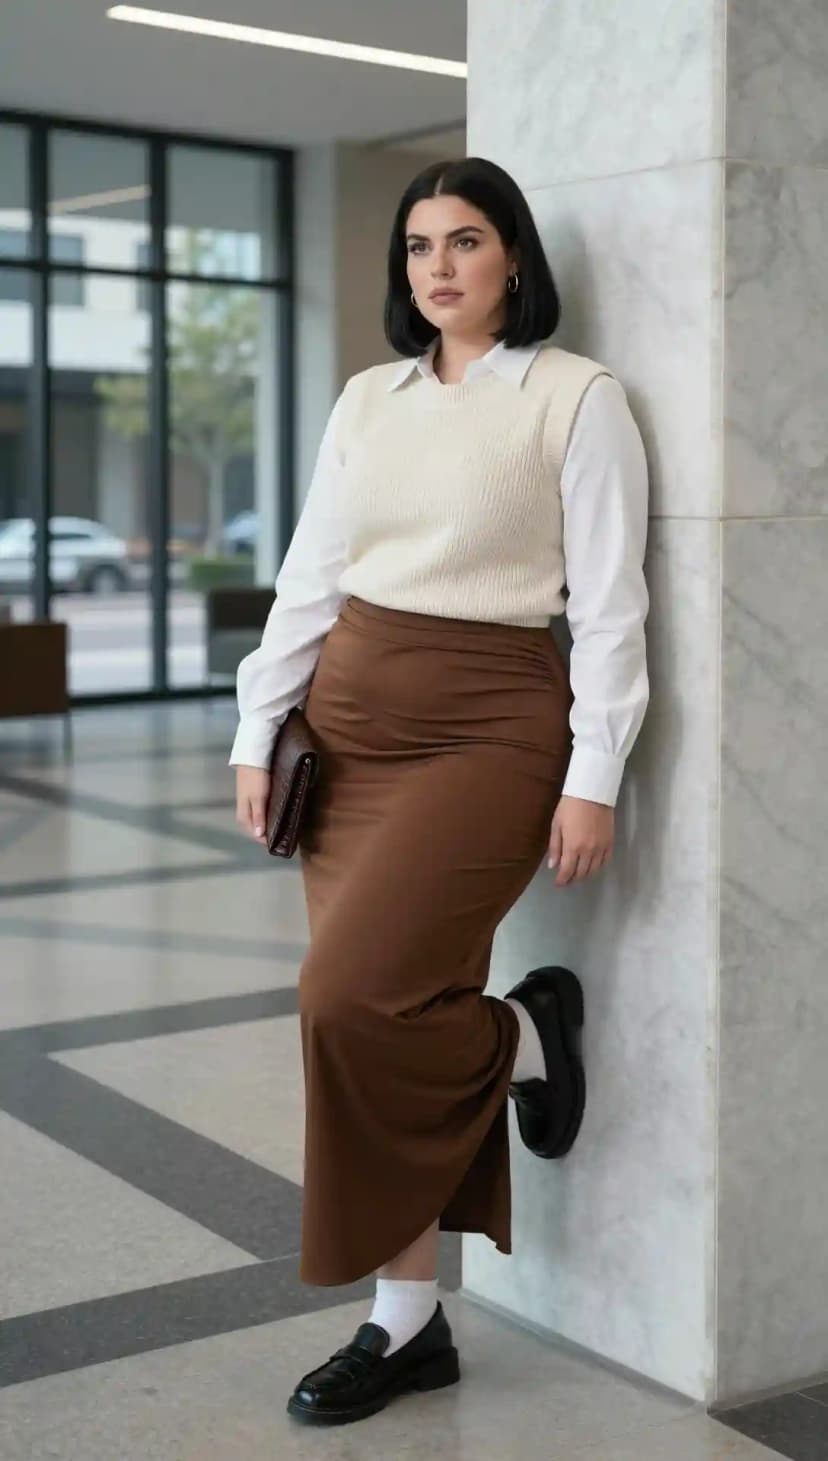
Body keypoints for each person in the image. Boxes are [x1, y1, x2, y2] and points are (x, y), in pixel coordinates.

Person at [230, 155, 650, 1427]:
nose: (440, 267)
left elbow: (615, 608)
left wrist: (594, 775)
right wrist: (259, 726)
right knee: (377, 1025)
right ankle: (406, 1323)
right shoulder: (368, 399)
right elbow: (311, 575)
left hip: (491, 726)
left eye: (466, 241)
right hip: (347, 722)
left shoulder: (577, 399)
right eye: (419, 248)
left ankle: (526, 1032)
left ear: (513, 257)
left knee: (345, 1000)